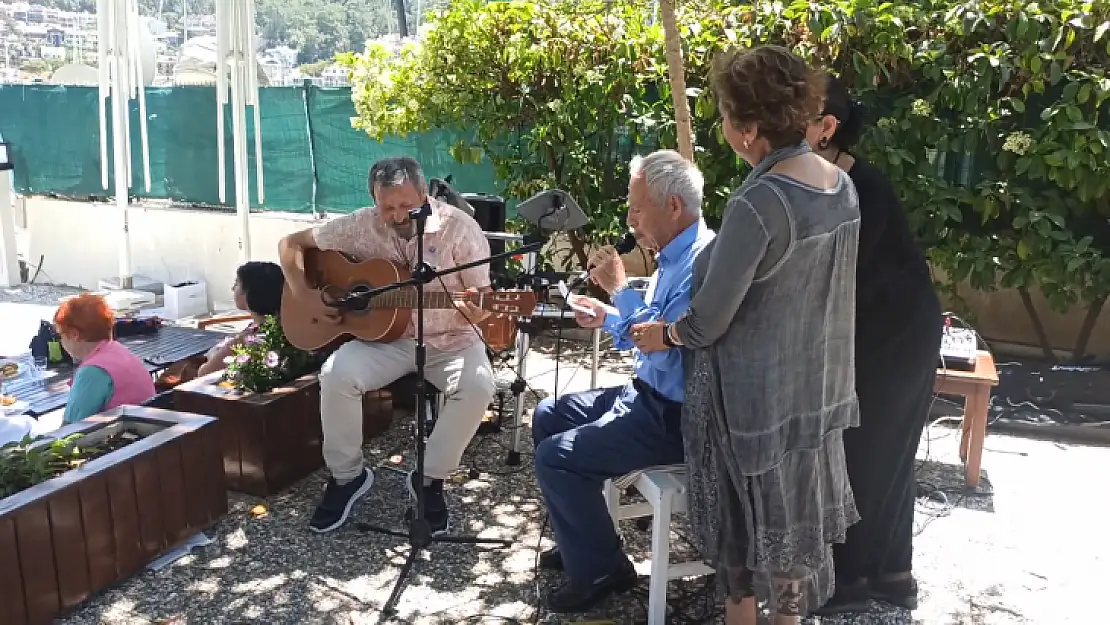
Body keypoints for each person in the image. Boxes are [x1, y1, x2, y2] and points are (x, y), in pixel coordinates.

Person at [632, 46, 860, 624]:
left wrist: (668, 335)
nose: (724, 126)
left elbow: (709, 319)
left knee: (743, 543)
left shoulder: (759, 202)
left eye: (726, 115)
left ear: (749, 127)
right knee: (791, 539)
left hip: (750, 411)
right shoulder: (840, 184)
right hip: (815, 398)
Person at [531, 149, 715, 613]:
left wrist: (617, 289)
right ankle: (585, 542)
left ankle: (601, 571)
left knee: (557, 458)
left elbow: (663, 346)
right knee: (547, 416)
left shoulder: (701, 262)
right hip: (644, 396)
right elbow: (648, 332)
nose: (631, 220)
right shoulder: (671, 256)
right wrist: (610, 315)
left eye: (637, 208)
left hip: (671, 418)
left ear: (673, 205)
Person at [277, 156, 497, 534]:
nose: (396, 215)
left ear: (424, 194)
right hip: (387, 340)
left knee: (478, 386)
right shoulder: (361, 225)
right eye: (387, 207)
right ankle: (347, 477)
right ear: (373, 200)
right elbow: (290, 245)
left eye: (405, 205)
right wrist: (307, 295)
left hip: (452, 338)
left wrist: (480, 312)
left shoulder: (460, 230)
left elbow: (485, 299)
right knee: (336, 375)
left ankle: (429, 479)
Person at [807, 76, 943, 614]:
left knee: (868, 449)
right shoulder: (827, 180)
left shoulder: (862, 187)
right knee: (887, 453)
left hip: (899, 334)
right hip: (879, 330)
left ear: (827, 128)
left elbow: (843, 277)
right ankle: (894, 573)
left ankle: (851, 581)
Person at [55, 293, 156, 423]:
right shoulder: (117, 350)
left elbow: (70, 428)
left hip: (126, 438)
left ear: (75, 335)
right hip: (146, 432)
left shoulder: (92, 371)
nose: (60, 341)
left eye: (60, 336)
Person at [197, 261, 286, 376]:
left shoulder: (250, 338)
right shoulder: (287, 328)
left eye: (237, 283)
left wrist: (214, 353)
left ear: (250, 292)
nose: (232, 288)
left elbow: (203, 372)